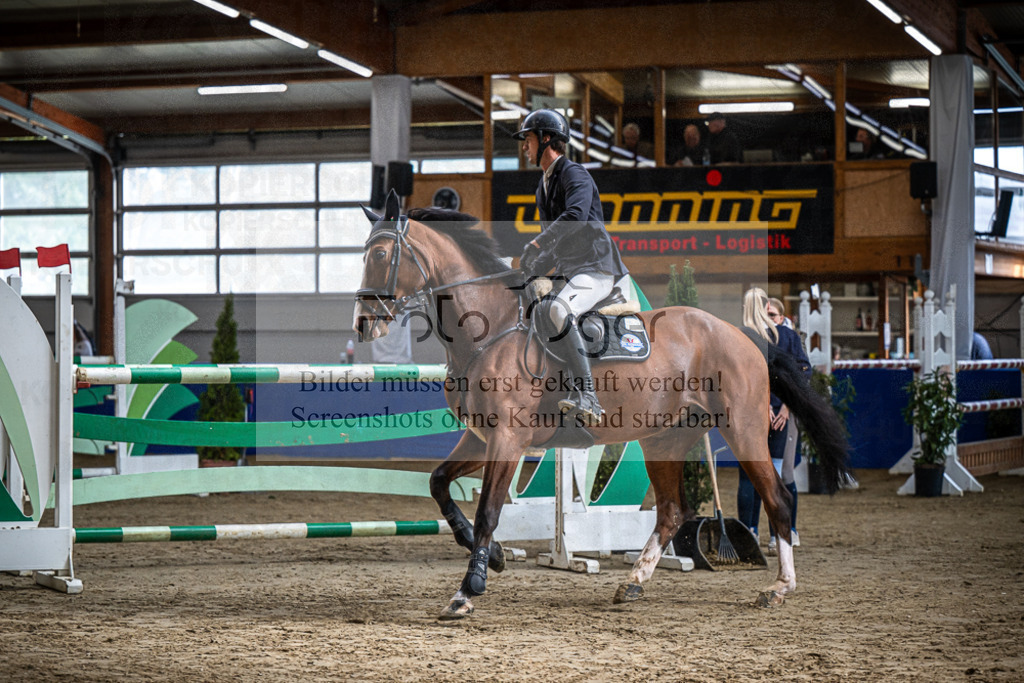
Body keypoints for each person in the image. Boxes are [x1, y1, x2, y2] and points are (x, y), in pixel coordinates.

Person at [513, 109, 631, 426]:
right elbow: (556, 243)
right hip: (571, 271)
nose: (524, 146)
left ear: (546, 139)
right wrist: (532, 265)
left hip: (596, 268)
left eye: (528, 139)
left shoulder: (574, 174)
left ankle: (588, 394)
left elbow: (576, 218)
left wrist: (537, 244)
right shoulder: (543, 186)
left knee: (558, 310)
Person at [737, 287, 811, 553]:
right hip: (777, 413)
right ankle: (777, 534)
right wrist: (783, 406)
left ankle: (751, 532)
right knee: (775, 474)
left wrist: (768, 405)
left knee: (751, 475)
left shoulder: (740, 337)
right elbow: (802, 373)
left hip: (755, 414)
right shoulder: (787, 336)